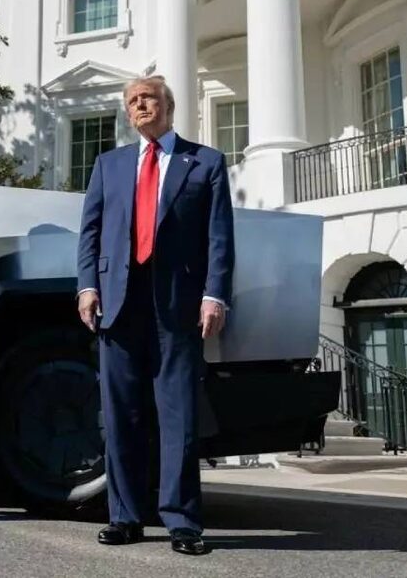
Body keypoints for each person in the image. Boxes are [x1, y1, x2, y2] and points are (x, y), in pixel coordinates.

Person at [76, 75, 234, 555]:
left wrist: (215, 295)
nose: (139, 105)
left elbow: (219, 236)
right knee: (120, 413)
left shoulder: (205, 162)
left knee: (178, 415)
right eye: (132, 101)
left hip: (177, 306)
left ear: (168, 105)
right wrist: (87, 286)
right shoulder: (108, 164)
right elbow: (90, 231)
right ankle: (124, 517)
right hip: (118, 303)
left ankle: (182, 521)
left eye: (147, 98)